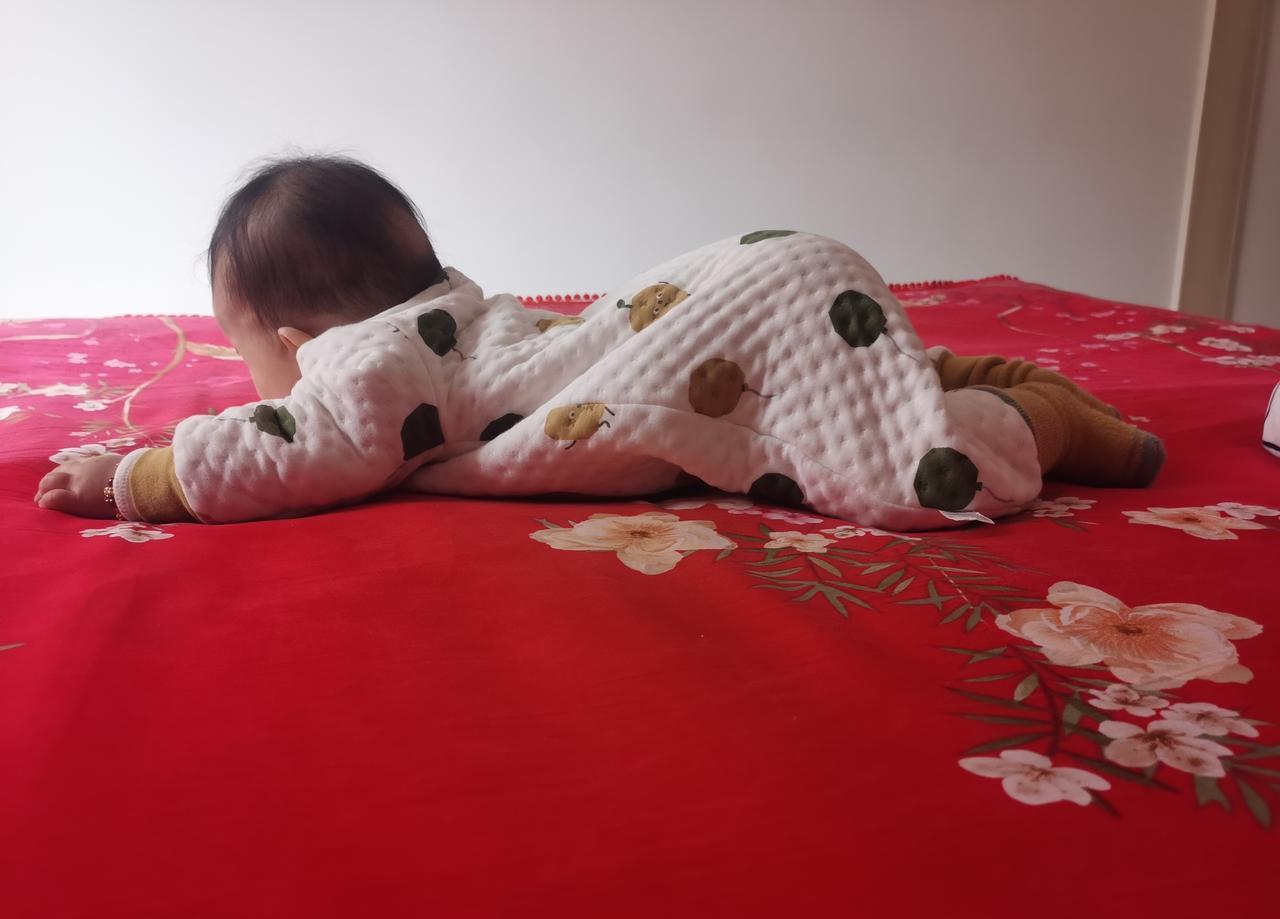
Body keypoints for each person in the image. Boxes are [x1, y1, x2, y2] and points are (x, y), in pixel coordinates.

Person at [35, 155, 1164, 529]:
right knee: (797, 384)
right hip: (760, 287)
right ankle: (943, 371)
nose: (258, 386)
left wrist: (142, 476)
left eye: (249, 358)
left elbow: (301, 446)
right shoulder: (454, 317)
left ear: (296, 341)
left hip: (760, 302)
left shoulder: (363, 370)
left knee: (916, 481)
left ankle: (1038, 420)